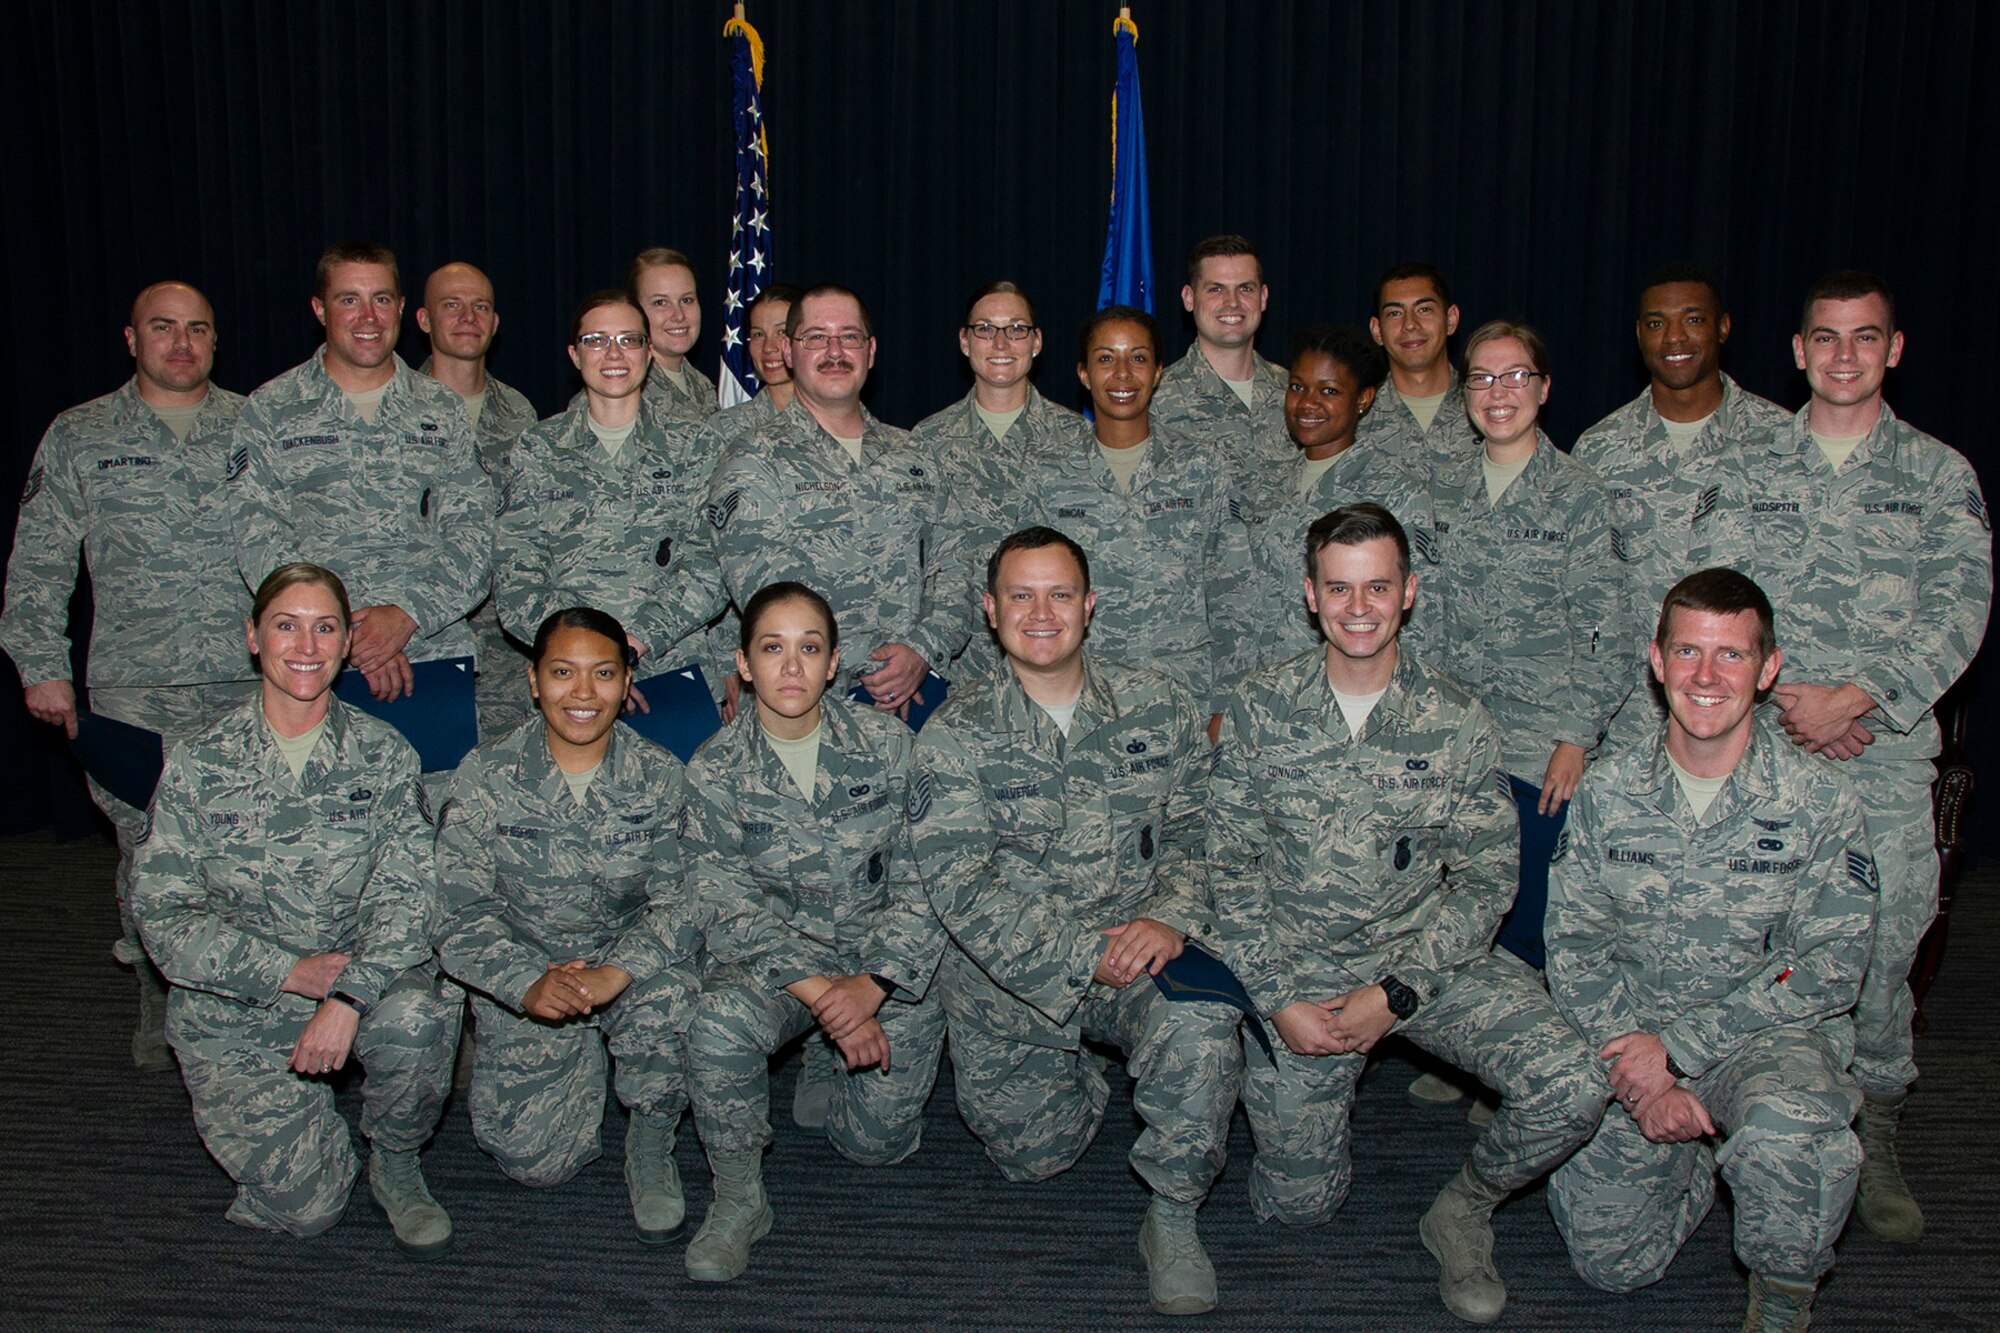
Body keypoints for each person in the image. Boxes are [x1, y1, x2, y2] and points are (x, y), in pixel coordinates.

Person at [1208, 505, 1607, 1325]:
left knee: (1572, 1083)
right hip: (1300, 971)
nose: (1360, 607)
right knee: (1296, 1207)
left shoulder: (1456, 717)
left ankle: (1464, 1206)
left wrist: (1398, 990)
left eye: (1379, 586)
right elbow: (1229, 867)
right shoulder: (1256, 708)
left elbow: (1489, 875)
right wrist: (1278, 996)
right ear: (1312, 596)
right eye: (1341, 587)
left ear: (1410, 593)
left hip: (1424, 957)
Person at [1703, 271, 1992, 1245]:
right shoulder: (1743, 469)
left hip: (1879, 759)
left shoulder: (1936, 477)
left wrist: (1855, 698)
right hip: (1763, 751)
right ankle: (1776, 1120)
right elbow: (1704, 603)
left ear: (1893, 350)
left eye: (1861, 338)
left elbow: (1960, 611)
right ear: (1794, 351)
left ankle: (1879, 1119)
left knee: (1882, 944)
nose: (1841, 356)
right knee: (1754, 948)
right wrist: (1787, 704)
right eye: (1823, 338)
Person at [906, 528, 1243, 1317]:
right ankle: (1082, 1076)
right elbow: (960, 887)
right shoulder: (955, 734)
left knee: (1203, 1029)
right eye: (1020, 595)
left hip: (1143, 950)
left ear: (1089, 605)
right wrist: (1075, 954)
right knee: (1034, 1156)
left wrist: (1169, 914)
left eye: (1060, 593)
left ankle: (1173, 1213)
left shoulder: (1160, 706)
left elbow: (1208, 835)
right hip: (1015, 981)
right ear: (990, 612)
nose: (1042, 612)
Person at [1546, 568, 1876, 1331]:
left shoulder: (1820, 802)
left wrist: (1683, 1049)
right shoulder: (1608, 790)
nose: (1705, 675)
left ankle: (1783, 1296)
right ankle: (1698, 1157)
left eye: (1730, 655)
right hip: (1631, 1038)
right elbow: (1575, 946)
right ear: (1656, 661)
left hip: (1765, 1039)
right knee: (1609, 1260)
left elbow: (1825, 965)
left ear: (1768, 670)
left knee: (1793, 1133)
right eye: (1687, 651)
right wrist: (1645, 1081)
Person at [129, 563, 459, 1255]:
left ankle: (395, 1159)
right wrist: (290, 972)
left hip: (356, 978)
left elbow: (410, 895)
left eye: (324, 627)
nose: (305, 646)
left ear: (346, 645)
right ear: (253, 637)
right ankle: (311, 1130)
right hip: (237, 1000)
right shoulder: (199, 761)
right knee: (305, 1209)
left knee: (420, 1015)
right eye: (286, 625)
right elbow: (162, 916)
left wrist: (344, 993)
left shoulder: (382, 753)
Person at [0, 280, 255, 1071]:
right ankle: (158, 989)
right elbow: (39, 563)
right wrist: (42, 667)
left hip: (251, 685)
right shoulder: (81, 434)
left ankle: (242, 997)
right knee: (149, 851)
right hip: (132, 691)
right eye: (164, 328)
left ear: (215, 340)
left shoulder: (256, 425)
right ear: (131, 338)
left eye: (198, 329)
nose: (182, 343)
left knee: (246, 854)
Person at [681, 582, 946, 1282]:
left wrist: (874, 982)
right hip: (781, 970)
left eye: (809, 648)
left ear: (834, 664)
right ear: (742, 663)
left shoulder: (892, 746)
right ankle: (739, 1197)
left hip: (880, 968)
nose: (791, 667)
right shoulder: (713, 768)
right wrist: (827, 996)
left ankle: (824, 1055)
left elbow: (930, 878)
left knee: (876, 1146)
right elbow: (723, 901)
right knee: (715, 1023)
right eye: (773, 648)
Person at [433, 606, 700, 1243]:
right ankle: (573, 1063)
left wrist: (618, 971)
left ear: (626, 679)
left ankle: (650, 1140)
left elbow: (685, 904)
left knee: (676, 1001)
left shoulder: (660, 776)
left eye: (603, 673)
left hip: (626, 967)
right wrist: (524, 980)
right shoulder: (485, 777)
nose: (583, 693)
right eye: (563, 672)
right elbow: (456, 915)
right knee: (536, 1163)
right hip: (530, 975)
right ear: (532, 680)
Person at [1417, 322, 1630, 974]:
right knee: (1451, 899)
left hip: (1542, 737)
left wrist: (1576, 733)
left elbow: (1601, 628)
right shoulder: (1438, 487)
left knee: (1534, 910)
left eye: (1516, 376)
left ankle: (1537, 1047)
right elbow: (1416, 611)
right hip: (1452, 727)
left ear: (1543, 388)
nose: (1498, 391)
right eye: (1482, 377)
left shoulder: (1579, 494)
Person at [229, 241, 492, 707]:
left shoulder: (441, 409)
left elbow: (474, 536)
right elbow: (257, 536)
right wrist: (341, 631)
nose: (368, 317)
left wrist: (407, 616)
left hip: (430, 655)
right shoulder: (271, 409)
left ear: (402, 308)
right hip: (312, 665)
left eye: (382, 299)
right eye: (349, 300)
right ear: (319, 309)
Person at [702, 283, 962, 720]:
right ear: (788, 351)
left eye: (850, 336)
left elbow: (956, 565)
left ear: (871, 350)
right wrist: (879, 669)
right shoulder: (752, 460)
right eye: (816, 337)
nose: (835, 350)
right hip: (809, 707)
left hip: (917, 698)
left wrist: (922, 650)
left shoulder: (915, 455)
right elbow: (766, 598)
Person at [1572, 264, 1790, 754]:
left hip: (1752, 719)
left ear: (1723, 327)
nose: (1674, 337)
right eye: (1655, 323)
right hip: (1629, 720)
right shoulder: (1598, 450)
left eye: (1693, 319)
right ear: (1638, 334)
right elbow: (1583, 597)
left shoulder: (1782, 442)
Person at [495, 291, 721, 717]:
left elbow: (710, 564)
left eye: (629, 340)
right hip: (569, 682)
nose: (613, 353)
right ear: (574, 354)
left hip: (668, 669)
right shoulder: (538, 448)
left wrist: (638, 641)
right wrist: (590, 658)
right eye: (596, 340)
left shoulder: (697, 445)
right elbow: (515, 573)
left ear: (649, 352)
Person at [1023, 306, 1250, 726]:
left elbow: (1231, 592)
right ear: (1084, 373)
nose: (1123, 374)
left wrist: (1225, 703)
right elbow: (1026, 599)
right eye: (1106, 358)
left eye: (1138, 358)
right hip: (1080, 701)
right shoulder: (1049, 474)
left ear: (1159, 371)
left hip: (1185, 700)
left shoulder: (1201, 467)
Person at [912, 280, 1083, 680]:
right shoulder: (925, 443)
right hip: (957, 670)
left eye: (1016, 329)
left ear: (1036, 341)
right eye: (985, 329)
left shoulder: (1077, 438)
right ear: (965, 341)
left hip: (1054, 658)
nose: (1001, 342)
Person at [1234, 323, 1424, 680]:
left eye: (1330, 390)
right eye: (1297, 387)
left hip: (1347, 690)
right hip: (1265, 697)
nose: (1308, 403)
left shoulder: (1396, 492)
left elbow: (1418, 622)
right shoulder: (1265, 486)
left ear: (1363, 399)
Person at [413, 261, 541, 737]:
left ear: (495, 323)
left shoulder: (520, 414)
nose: (467, 317)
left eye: (480, 306)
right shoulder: (398, 412)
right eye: (452, 305)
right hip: (422, 644)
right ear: (424, 320)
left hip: (507, 652)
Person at [1152, 235, 1291, 471]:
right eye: (1216, 289)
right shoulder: (1154, 401)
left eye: (1245, 289)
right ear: (1189, 298)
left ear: (1263, 297)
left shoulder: (1295, 393)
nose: (1232, 302)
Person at [1362, 262, 1478, 474]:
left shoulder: (1488, 409)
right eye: (1395, 313)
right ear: (1377, 330)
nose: (1410, 324)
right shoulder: (1353, 420)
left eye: (1424, 310)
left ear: (1451, 319)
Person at [629, 247, 716, 423]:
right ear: (634, 311)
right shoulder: (621, 389)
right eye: (661, 302)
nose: (679, 315)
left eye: (686, 300)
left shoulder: (701, 384)